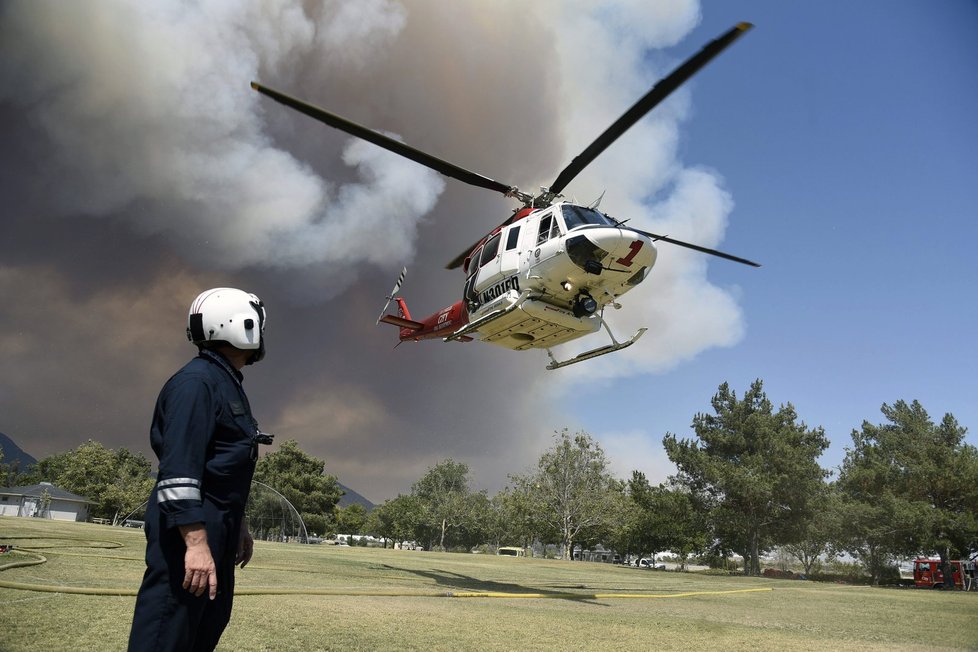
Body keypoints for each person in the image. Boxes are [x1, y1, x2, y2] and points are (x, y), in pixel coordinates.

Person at [128, 288, 273, 651]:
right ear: (244, 326)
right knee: (168, 630)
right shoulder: (197, 384)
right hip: (190, 535)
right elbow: (179, 471)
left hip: (215, 532)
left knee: (201, 632)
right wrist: (195, 544)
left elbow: (221, 469)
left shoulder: (223, 382)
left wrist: (238, 525)